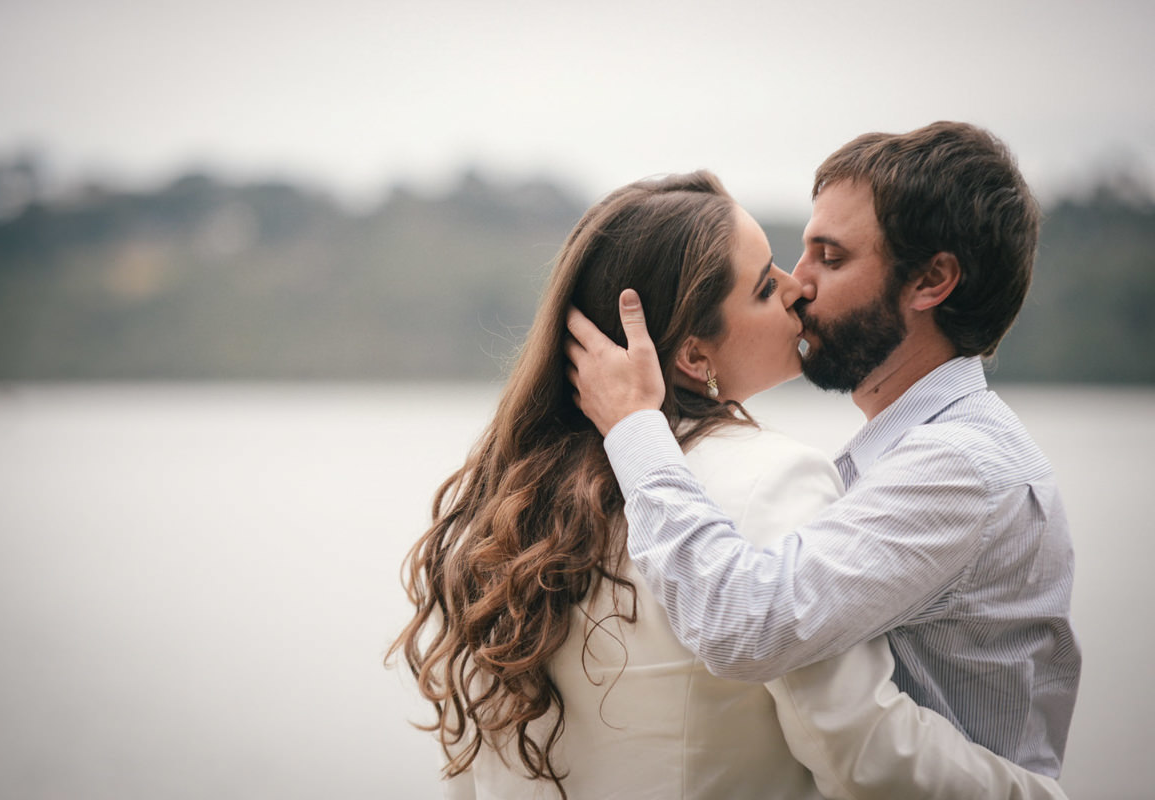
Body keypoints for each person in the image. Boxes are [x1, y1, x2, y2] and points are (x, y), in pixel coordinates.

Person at [391, 170, 1067, 798]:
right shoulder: (772, 478)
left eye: (822, 260)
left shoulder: (503, 508)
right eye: (766, 287)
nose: (798, 287)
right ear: (692, 354)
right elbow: (857, 748)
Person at [564, 122, 1081, 780]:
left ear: (931, 281)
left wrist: (637, 429)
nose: (798, 284)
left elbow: (745, 624)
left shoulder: (962, 467)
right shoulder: (902, 452)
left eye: (830, 258)